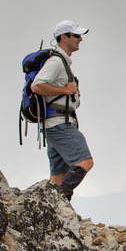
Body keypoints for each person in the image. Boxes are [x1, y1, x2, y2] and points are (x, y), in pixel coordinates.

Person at [31, 20, 94, 200]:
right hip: (60, 124)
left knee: (59, 174)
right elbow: (37, 86)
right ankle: (59, 203)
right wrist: (66, 90)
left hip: (53, 124)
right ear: (64, 38)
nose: (80, 39)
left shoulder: (61, 62)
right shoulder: (56, 62)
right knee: (85, 161)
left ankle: (49, 205)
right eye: (76, 35)